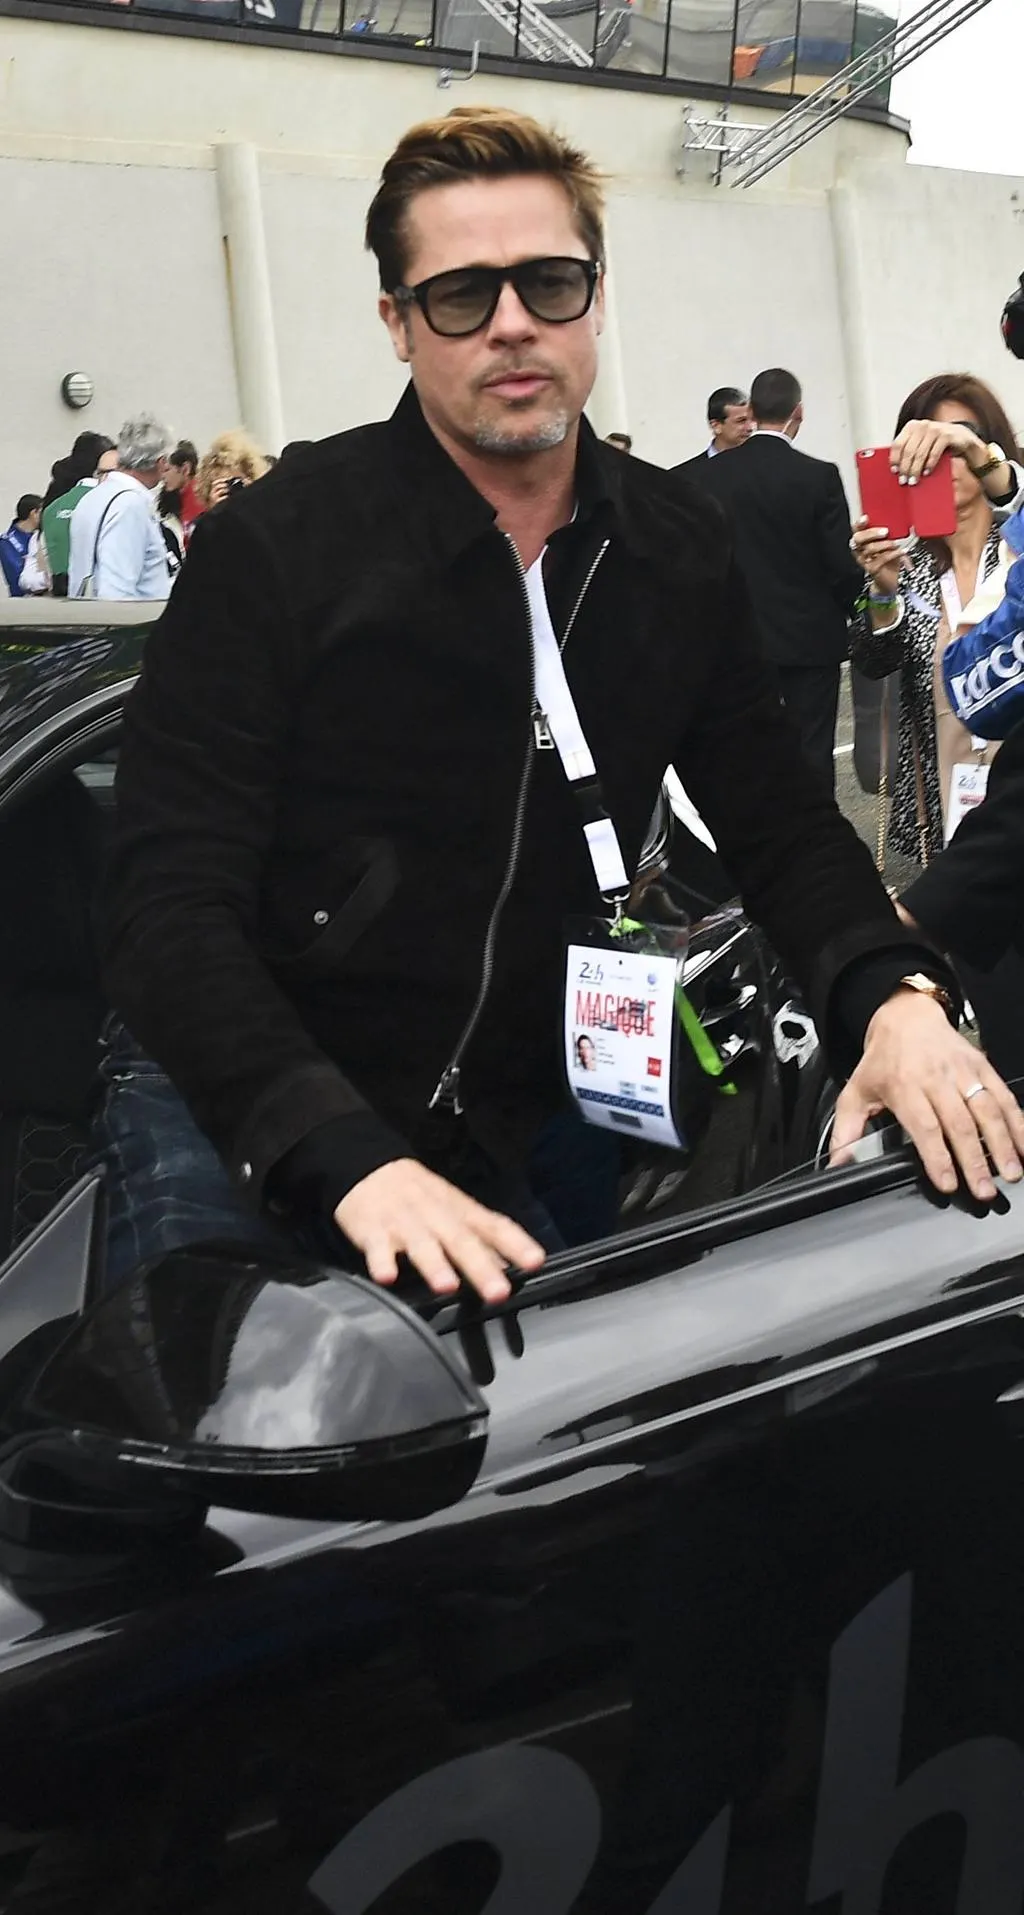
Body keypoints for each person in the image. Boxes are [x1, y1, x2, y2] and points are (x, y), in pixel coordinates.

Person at [97, 106, 1024, 1306]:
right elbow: (167, 903)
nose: (512, 323)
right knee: (208, 1420)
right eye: (459, 295)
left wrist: (893, 997)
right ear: (396, 322)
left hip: (508, 1107)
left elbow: (783, 825)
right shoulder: (279, 548)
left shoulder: (674, 542)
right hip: (242, 1102)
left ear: (594, 297)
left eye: (547, 281)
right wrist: (338, 1151)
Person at [850, 373, 1023, 865]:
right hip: (945, 799)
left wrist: (979, 455)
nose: (941, 462)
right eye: (925, 448)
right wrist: (883, 592)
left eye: (954, 444)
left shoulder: (1017, 547)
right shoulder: (907, 565)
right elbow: (873, 658)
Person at [696, 367, 863, 793]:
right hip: (809, 636)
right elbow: (839, 565)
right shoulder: (818, 476)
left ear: (751, 411)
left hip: (737, 639)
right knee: (812, 747)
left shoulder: (706, 478)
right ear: (798, 412)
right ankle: (817, 829)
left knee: (748, 751)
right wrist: (860, 610)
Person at [68, 414, 173, 601]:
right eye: (167, 461)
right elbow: (116, 592)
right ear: (161, 462)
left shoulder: (92, 497)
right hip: (130, 618)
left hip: (85, 613)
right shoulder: (130, 504)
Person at [39, 437, 118, 597]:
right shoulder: (109, 502)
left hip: (58, 595)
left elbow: (41, 558)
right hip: (98, 595)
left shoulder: (52, 507)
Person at [674, 387, 752, 478]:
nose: (750, 428)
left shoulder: (762, 466)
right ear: (716, 426)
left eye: (753, 420)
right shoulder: (683, 476)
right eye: (741, 421)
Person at [194, 431, 270, 512]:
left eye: (237, 483)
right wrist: (215, 512)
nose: (232, 490)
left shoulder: (262, 510)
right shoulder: (207, 518)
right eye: (225, 485)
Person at [156, 440, 199, 573]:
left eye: (167, 470)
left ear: (185, 469)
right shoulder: (168, 501)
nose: (162, 476)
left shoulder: (203, 501)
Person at [0, 496, 42, 597]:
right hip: (23, 600)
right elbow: (17, 579)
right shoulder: (6, 541)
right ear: (34, 513)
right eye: (42, 512)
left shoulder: (41, 536)